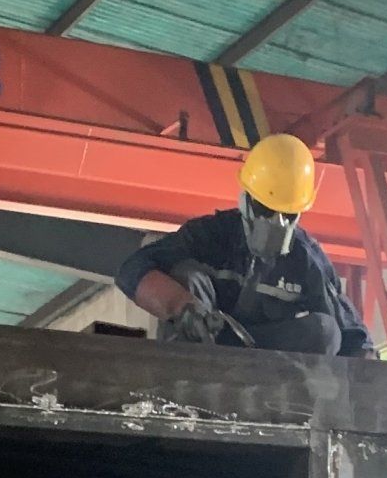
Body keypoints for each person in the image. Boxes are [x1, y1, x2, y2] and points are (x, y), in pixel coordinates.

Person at [115, 133, 371, 359]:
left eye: (287, 214)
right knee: (188, 277)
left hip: (273, 366)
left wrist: (370, 385)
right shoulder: (209, 236)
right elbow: (132, 270)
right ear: (246, 199)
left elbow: (355, 338)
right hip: (206, 352)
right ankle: (189, 368)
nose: (276, 223)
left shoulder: (306, 258)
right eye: (266, 209)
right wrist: (183, 306)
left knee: (326, 331)